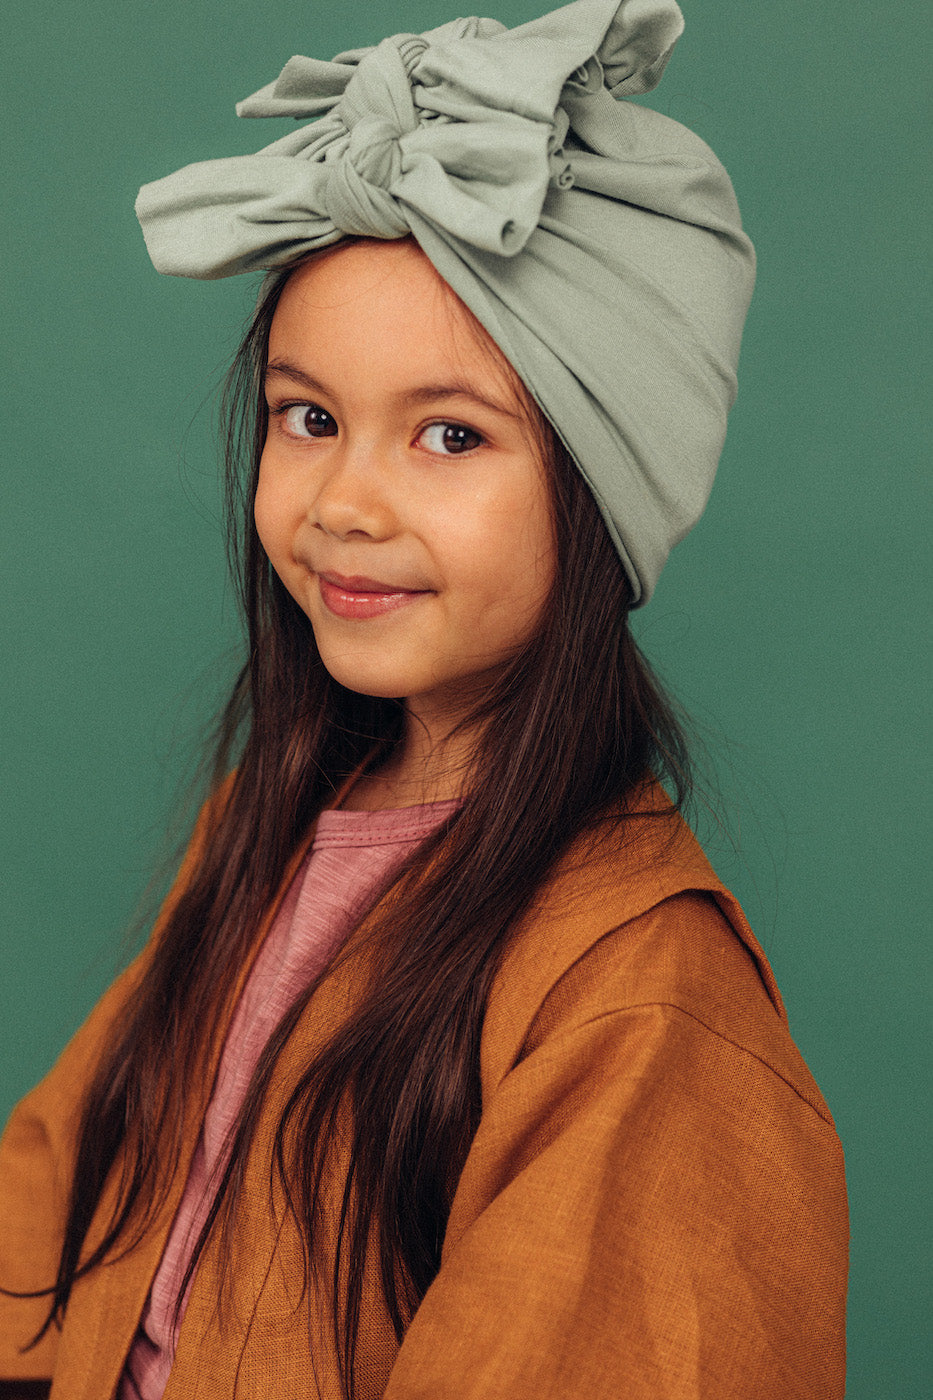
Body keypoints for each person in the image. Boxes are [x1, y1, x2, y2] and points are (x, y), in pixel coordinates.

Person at [0, 1, 848, 1397]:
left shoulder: (639, 1017)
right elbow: (51, 1219)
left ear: (600, 490)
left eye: (449, 435)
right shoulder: (263, 828)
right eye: (307, 416)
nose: (344, 502)